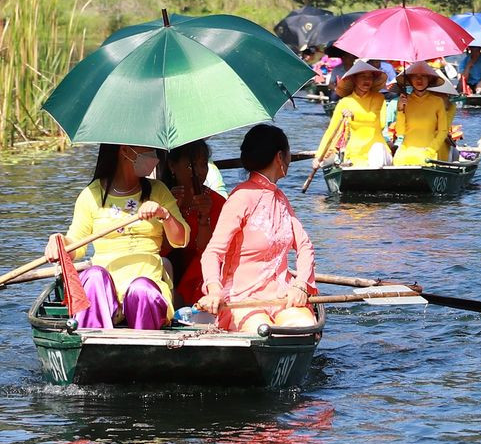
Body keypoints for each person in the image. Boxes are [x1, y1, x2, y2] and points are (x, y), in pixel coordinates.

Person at [197, 124, 317, 333]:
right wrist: (214, 290)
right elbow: (213, 252)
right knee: (263, 331)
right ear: (280, 157)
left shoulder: (280, 199)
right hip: (243, 297)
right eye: (288, 153)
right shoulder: (240, 197)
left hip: (282, 295)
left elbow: (305, 246)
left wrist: (300, 286)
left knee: (303, 328)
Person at [62, 143, 190, 330]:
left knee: (141, 289)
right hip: (105, 291)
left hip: (146, 285)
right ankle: (92, 342)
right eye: (147, 149)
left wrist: (164, 214)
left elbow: (181, 240)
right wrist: (59, 244)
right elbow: (76, 245)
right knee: (93, 276)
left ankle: (145, 347)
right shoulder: (91, 194)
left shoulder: (158, 191)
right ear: (125, 150)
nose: (153, 156)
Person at [160, 139, 225, 310]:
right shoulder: (161, 199)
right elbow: (158, 249)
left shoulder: (217, 203)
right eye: (190, 166)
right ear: (172, 167)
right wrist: (172, 213)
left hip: (201, 273)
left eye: (203, 165)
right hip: (168, 269)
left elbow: (210, 252)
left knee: (203, 261)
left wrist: (204, 218)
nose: (198, 172)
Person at [312, 60, 393, 172]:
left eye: (370, 77)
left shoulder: (378, 98)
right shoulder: (345, 102)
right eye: (363, 76)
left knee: (377, 151)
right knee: (327, 161)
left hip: (377, 151)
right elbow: (332, 131)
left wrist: (354, 116)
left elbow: (379, 123)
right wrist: (319, 155)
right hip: (354, 154)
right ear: (354, 79)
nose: (367, 80)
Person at [393, 62, 457, 166]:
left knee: (423, 160)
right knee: (397, 161)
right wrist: (400, 110)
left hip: (429, 148)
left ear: (429, 79)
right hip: (407, 149)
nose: (419, 80)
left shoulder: (437, 101)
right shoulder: (404, 101)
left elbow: (443, 131)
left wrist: (431, 150)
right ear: (410, 80)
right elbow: (400, 132)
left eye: (424, 76)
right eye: (415, 77)